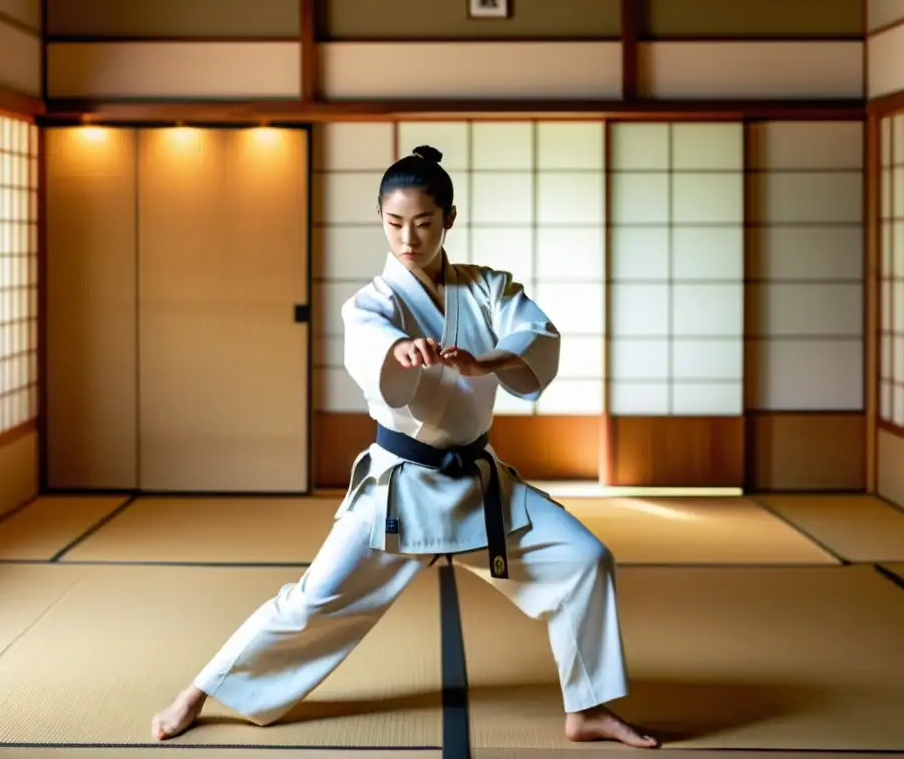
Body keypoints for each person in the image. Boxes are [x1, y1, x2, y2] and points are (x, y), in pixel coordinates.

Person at [151, 145, 658, 749]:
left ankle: (589, 708)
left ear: (448, 218)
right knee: (312, 602)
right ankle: (200, 691)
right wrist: (398, 352)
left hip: (478, 485)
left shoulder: (487, 287)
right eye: (394, 224)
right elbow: (372, 346)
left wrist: (485, 359)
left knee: (584, 560)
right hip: (400, 490)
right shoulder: (372, 301)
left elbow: (535, 335)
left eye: (422, 222)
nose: (408, 239)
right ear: (380, 219)